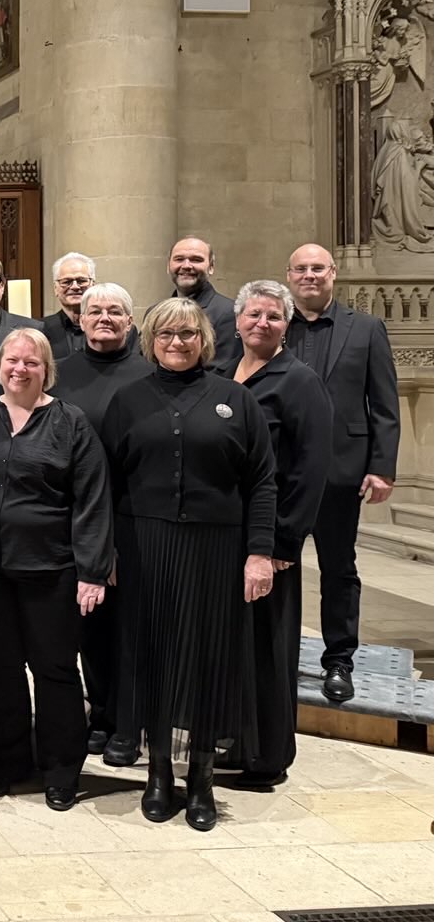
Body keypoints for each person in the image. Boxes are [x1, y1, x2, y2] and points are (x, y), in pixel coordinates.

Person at [100, 299, 276, 831]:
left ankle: (201, 778)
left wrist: (259, 552)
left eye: (187, 333)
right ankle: (157, 774)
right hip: (144, 545)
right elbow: (104, 481)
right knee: (150, 655)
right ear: (150, 340)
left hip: (216, 550)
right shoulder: (127, 400)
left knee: (208, 660)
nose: (177, 342)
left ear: (204, 338)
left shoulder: (235, 400)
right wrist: (104, 550)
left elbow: (263, 481)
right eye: (167, 334)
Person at [0, 328, 111, 810]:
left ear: (46, 369)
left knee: (54, 670)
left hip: (53, 568)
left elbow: (92, 500)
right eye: (12, 360)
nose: (20, 368)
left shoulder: (71, 423)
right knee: (2, 668)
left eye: (31, 361)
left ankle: (61, 768)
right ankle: (7, 762)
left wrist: (92, 570)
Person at [219, 280, 332, 787]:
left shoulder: (299, 381)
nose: (261, 323)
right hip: (223, 535)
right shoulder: (223, 371)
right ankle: (236, 739)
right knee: (233, 645)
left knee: (268, 647)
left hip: (270, 539)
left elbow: (310, 469)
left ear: (287, 325)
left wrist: (284, 542)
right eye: (253, 314)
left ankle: (268, 758)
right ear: (237, 320)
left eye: (273, 316)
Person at [284, 243, 400, 704]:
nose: (310, 275)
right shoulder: (270, 324)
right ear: (288, 276)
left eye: (318, 268)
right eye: (301, 269)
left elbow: (384, 406)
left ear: (333, 273)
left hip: (341, 470)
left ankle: (338, 661)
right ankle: (278, 658)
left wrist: (382, 467)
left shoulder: (366, 328)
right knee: (277, 566)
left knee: (338, 568)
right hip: (283, 474)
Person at [52, 283, 152, 764]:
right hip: (77, 515)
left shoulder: (149, 374)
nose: (104, 317)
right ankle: (102, 713)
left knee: (130, 626)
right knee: (89, 623)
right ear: (80, 318)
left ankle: (130, 722)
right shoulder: (61, 373)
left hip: (134, 516)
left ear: (130, 322)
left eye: (116, 311)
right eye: (95, 310)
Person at [164, 235, 236, 358]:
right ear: (168, 266)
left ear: (211, 267)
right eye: (179, 259)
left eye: (196, 260)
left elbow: (222, 368)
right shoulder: (155, 313)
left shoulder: (230, 312)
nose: (186, 265)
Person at [39, 252, 96, 358]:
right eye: (66, 281)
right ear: (56, 289)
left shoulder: (109, 326)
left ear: (93, 285)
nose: (75, 287)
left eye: (81, 281)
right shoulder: (39, 329)